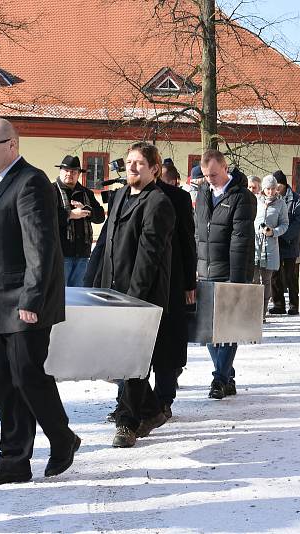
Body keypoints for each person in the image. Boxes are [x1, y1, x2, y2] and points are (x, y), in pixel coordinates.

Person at [0, 118, 79, 486]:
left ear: (12, 145)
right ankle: (14, 460)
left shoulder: (30, 181)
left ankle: (62, 438)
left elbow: (42, 247)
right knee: (5, 381)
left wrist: (31, 298)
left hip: (23, 302)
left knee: (27, 376)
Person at [96, 142, 175, 447]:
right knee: (122, 359)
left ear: (155, 169)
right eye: (130, 162)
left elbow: (148, 257)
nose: (132, 167)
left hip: (142, 299)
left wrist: (133, 301)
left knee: (134, 361)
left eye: (140, 163)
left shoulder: (158, 203)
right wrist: (98, 286)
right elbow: (107, 246)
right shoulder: (118, 198)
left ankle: (128, 422)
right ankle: (153, 409)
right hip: (114, 293)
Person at [195, 149, 257, 399]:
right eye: (206, 175)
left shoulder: (242, 196)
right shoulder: (202, 193)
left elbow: (240, 240)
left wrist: (237, 278)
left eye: (213, 174)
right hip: (205, 268)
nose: (210, 178)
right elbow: (197, 231)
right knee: (209, 330)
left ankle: (219, 379)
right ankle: (226, 374)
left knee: (228, 329)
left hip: (230, 270)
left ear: (225, 168)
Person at [154, 159, 197, 419]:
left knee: (169, 343)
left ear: (154, 168)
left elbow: (187, 241)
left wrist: (189, 282)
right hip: (133, 283)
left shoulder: (177, 198)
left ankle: (164, 399)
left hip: (171, 278)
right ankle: (128, 403)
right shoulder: (123, 196)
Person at [53, 155, 105, 287]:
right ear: (60, 171)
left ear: (78, 174)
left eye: (73, 172)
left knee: (79, 297)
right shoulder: (51, 190)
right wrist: (70, 214)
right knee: (59, 296)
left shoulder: (86, 193)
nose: (69, 174)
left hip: (82, 255)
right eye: (66, 170)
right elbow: (45, 217)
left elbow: (100, 217)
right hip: (60, 255)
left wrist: (86, 210)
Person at [269, 170, 300, 316]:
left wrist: (283, 234)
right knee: (275, 275)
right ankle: (278, 304)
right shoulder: (271, 198)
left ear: (283, 184)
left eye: (278, 184)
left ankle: (294, 305)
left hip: (289, 242)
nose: (275, 187)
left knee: (291, 275)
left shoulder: (296, 199)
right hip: (274, 242)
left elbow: (299, 222)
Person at [254, 175, 289, 317]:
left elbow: (285, 224)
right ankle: (253, 311)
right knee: (254, 280)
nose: (270, 191)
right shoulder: (256, 201)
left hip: (270, 247)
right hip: (255, 245)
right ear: (263, 189)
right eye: (268, 188)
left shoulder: (281, 204)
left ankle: (262, 312)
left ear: (276, 189)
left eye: (273, 188)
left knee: (266, 281)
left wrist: (273, 232)